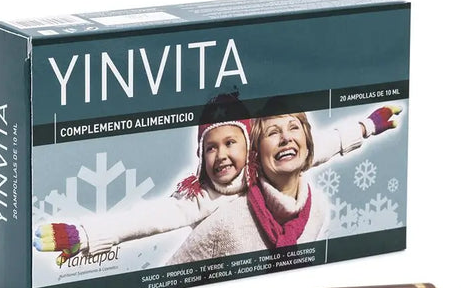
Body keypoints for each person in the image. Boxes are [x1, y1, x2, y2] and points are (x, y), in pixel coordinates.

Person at [166, 105, 402, 263]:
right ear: (256, 156)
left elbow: (324, 145)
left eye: (293, 128)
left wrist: (368, 126)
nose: (286, 138)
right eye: (272, 133)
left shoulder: (317, 209)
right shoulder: (226, 221)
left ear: (307, 144)